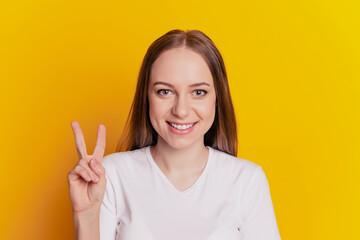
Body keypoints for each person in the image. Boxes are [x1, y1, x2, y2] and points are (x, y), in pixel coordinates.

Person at [67, 29, 281, 240]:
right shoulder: (110, 176)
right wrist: (86, 216)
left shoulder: (247, 181)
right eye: (165, 91)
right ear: (147, 97)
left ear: (217, 98)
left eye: (198, 92)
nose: (181, 110)